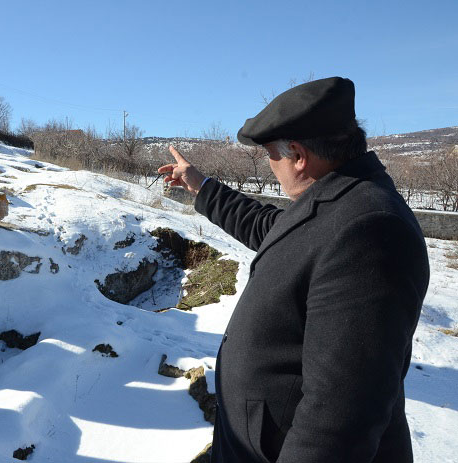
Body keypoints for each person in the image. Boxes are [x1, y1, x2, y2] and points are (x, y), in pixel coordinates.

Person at [158, 77, 430, 463]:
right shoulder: (336, 200)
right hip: (257, 444)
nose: (270, 166)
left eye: (271, 154)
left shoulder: (370, 231)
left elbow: (339, 416)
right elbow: (268, 227)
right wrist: (200, 186)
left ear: (299, 155)